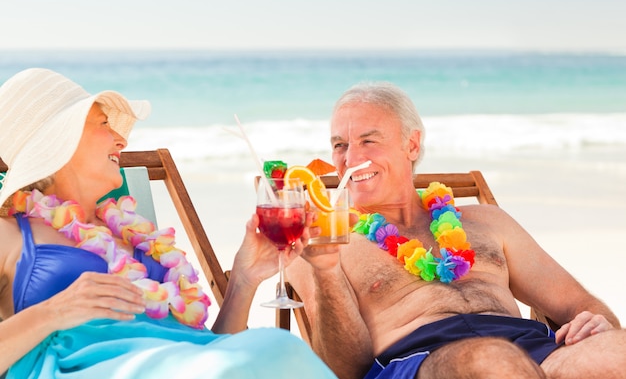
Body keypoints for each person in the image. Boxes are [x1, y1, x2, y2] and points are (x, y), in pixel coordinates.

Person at [0, 68, 337, 379]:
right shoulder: (11, 233)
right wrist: (55, 312)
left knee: (278, 347)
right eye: (104, 124)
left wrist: (244, 278)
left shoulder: (139, 238)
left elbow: (213, 352)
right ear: (61, 140)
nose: (122, 140)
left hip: (190, 366)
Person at [286, 81, 626, 379]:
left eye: (368, 141)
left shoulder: (488, 221)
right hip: (418, 362)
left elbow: (580, 304)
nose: (351, 158)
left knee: (618, 349)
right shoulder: (323, 244)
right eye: (340, 145)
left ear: (412, 145)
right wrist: (327, 272)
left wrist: (596, 323)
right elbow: (342, 370)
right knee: (493, 361)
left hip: (534, 352)